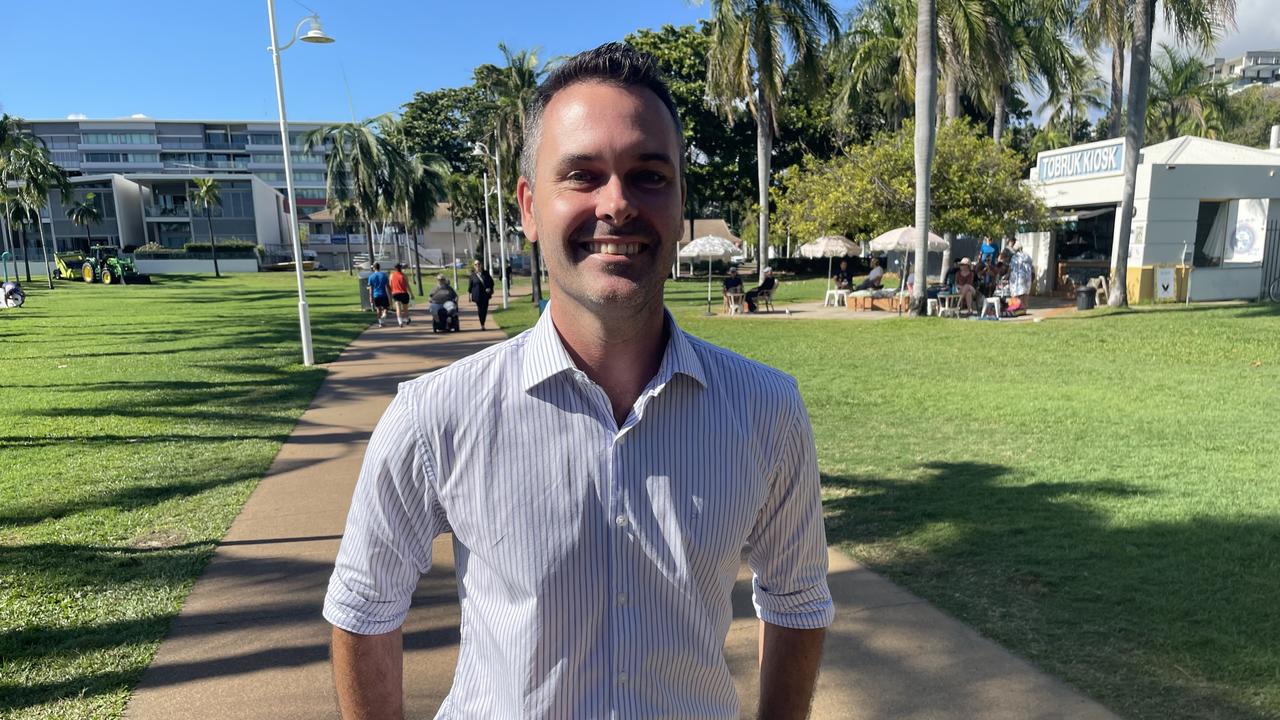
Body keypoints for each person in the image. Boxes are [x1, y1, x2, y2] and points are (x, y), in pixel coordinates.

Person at [325, 42, 831, 720]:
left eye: (649, 175)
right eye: (583, 175)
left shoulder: (766, 410)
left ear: (680, 204)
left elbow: (797, 599)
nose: (617, 203)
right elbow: (363, 609)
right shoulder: (436, 416)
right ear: (530, 208)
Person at [467, 260, 495, 330]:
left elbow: (491, 282)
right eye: (476, 265)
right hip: (477, 295)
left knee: (485, 309)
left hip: (485, 295)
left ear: (481, 265)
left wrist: (490, 288)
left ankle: (483, 322)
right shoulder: (472, 276)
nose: (478, 266)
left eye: (479, 264)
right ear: (474, 266)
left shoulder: (486, 273)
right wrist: (469, 296)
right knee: (480, 310)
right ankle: (482, 324)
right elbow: (470, 287)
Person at [365, 262, 390, 328]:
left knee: (378, 309)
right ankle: (383, 318)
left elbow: (371, 288)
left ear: (374, 268)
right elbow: (387, 286)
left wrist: (370, 297)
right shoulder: (384, 275)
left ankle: (380, 323)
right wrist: (390, 295)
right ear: (379, 267)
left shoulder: (371, 277)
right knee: (386, 309)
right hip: (383, 294)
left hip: (376, 295)